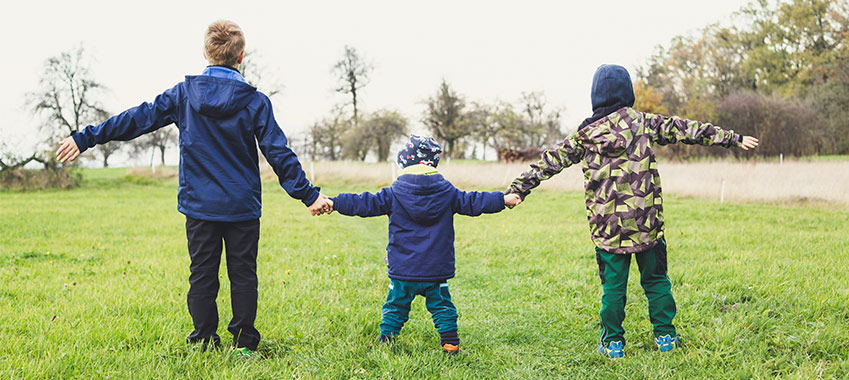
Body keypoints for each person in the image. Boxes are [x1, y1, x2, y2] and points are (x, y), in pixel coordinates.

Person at [54, 20, 332, 358]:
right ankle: (244, 345)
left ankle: (203, 340)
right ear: (241, 56)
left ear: (205, 53)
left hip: (200, 206)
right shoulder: (256, 101)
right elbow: (278, 152)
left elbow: (136, 119)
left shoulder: (184, 95)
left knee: (202, 275)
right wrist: (309, 195)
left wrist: (86, 138)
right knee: (243, 274)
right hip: (242, 206)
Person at [505, 64, 759, 359]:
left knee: (613, 288)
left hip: (608, 230)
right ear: (628, 93)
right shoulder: (643, 123)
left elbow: (549, 161)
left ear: (595, 97)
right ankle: (665, 336)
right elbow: (686, 129)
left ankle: (613, 343)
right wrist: (732, 138)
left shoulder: (584, 136)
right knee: (656, 281)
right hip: (647, 223)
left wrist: (519, 189)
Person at [324, 135, 521, 354]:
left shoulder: (393, 193)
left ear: (405, 163)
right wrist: (503, 200)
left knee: (395, 306)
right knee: (443, 307)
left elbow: (363, 203)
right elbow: (474, 201)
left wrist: (334, 202)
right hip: (435, 270)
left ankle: (386, 340)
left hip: (403, 270)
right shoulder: (448, 192)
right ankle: (450, 344)